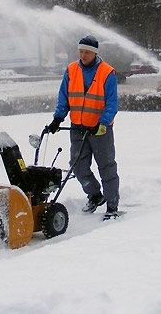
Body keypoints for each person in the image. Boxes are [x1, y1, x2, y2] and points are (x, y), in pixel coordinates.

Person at [47, 35, 120, 220]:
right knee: (77, 165)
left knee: (106, 166)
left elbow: (112, 103)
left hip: (99, 130)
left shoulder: (107, 72)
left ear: (95, 53)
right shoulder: (71, 70)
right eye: (81, 51)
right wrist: (58, 118)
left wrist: (103, 123)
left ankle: (112, 205)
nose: (83, 55)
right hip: (77, 128)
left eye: (87, 52)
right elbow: (64, 96)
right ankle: (95, 194)